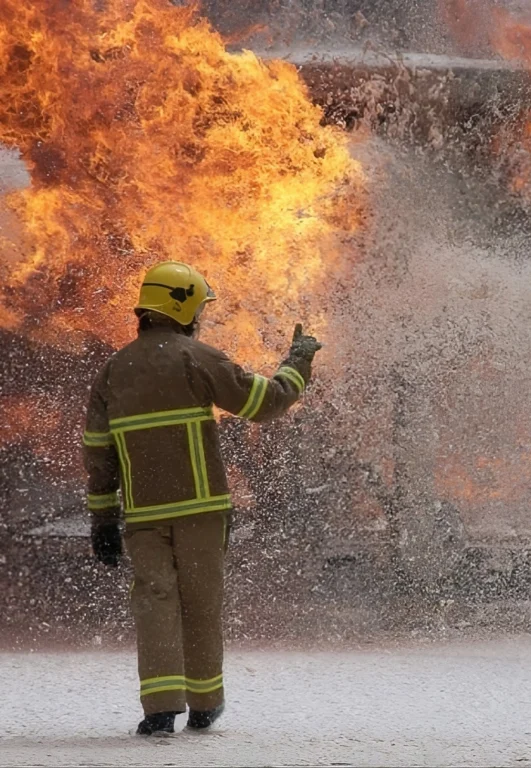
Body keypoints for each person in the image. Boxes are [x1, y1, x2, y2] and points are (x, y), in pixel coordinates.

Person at [83, 261, 322, 734]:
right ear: (184, 306)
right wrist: (298, 362)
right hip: (202, 511)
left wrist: (103, 518)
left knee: (154, 601)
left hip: (143, 516)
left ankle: (160, 709)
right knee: (201, 602)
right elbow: (266, 403)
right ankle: (205, 702)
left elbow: (98, 452)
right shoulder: (197, 357)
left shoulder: (112, 370)